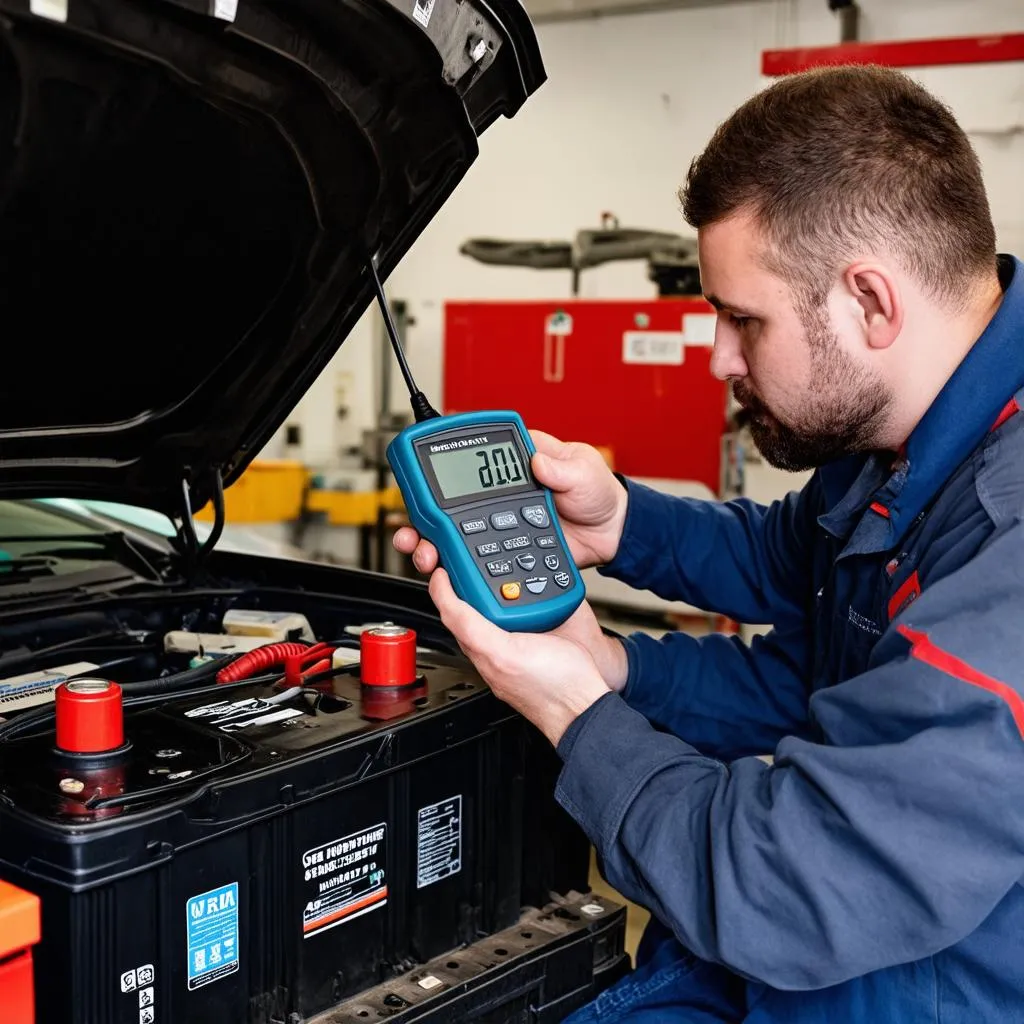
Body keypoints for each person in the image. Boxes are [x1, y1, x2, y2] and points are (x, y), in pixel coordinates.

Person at [394, 64, 1024, 1022]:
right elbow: (800, 595)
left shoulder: (1009, 550)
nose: (720, 357)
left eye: (742, 320)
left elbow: (782, 885)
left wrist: (578, 717)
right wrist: (620, 561)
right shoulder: (907, 439)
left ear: (871, 302)